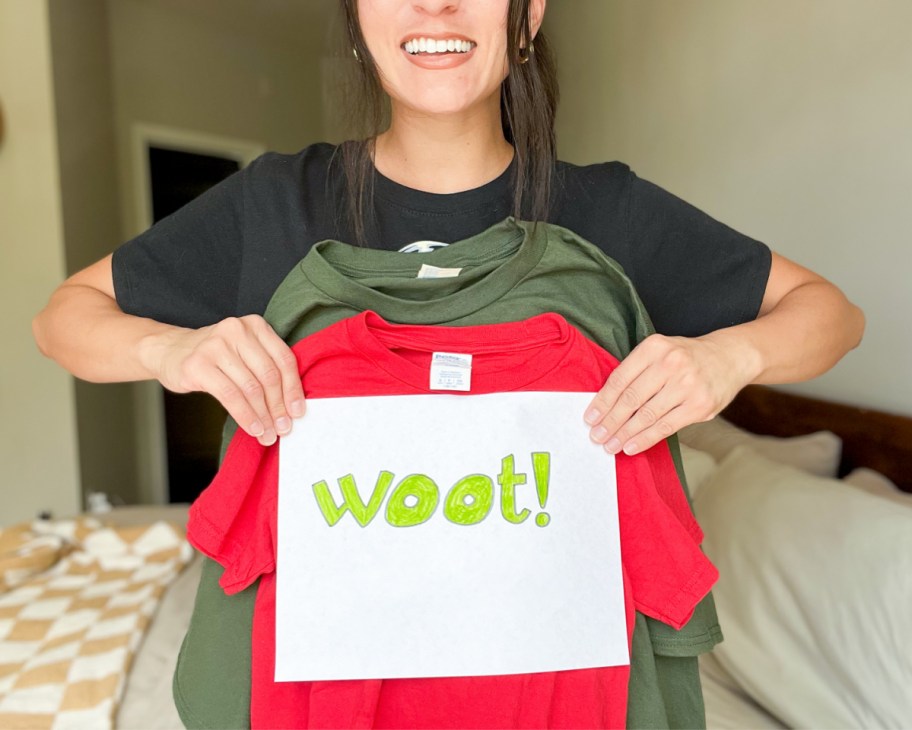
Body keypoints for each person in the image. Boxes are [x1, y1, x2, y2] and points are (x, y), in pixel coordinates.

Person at [33, 0, 864, 726]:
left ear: (526, 14)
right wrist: (172, 348)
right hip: (329, 682)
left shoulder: (607, 215)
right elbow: (64, 319)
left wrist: (727, 357)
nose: (436, 8)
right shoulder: (276, 203)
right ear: (358, 16)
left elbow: (831, 315)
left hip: (554, 678)